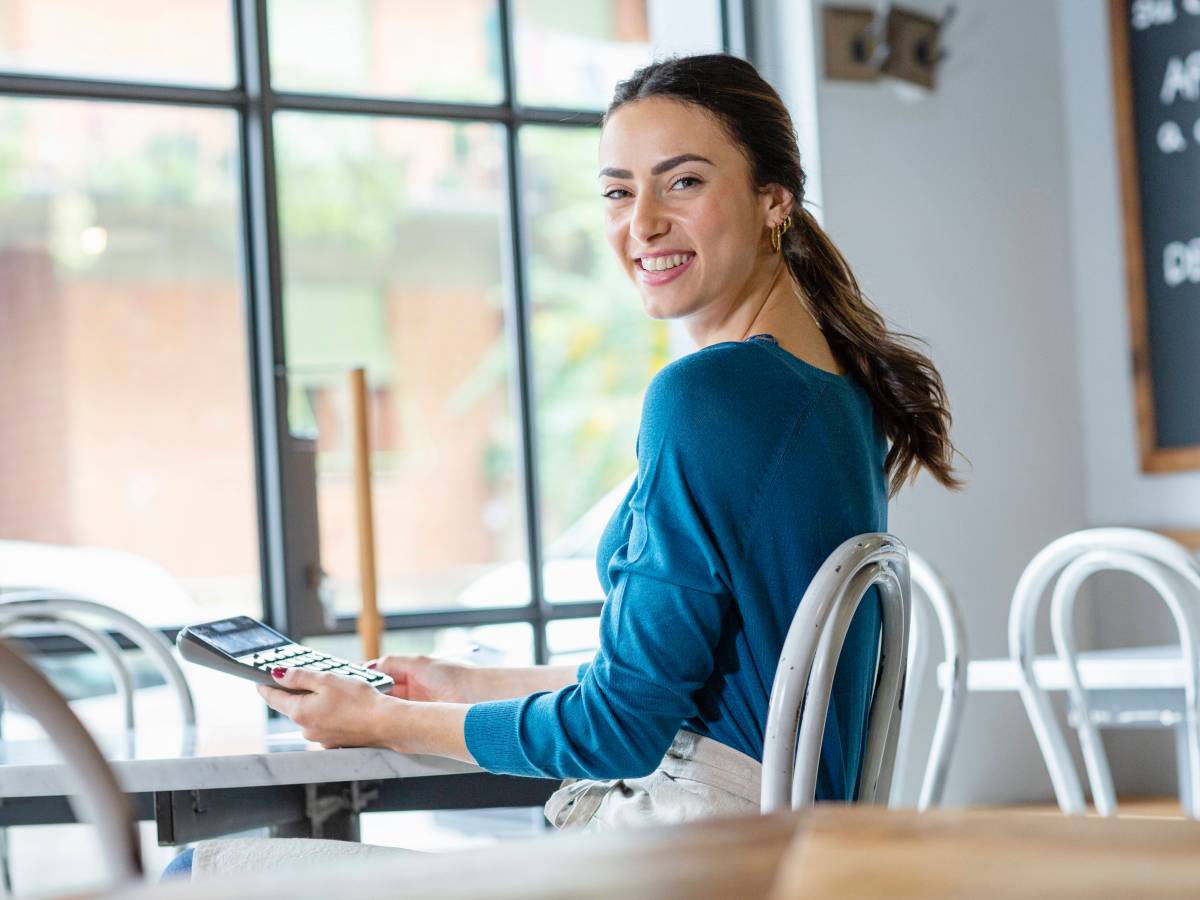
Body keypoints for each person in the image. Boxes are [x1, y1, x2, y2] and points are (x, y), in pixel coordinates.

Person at [165, 52, 959, 880]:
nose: (641, 223)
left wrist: (378, 722)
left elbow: (621, 727)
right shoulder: (831, 392)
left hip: (680, 858)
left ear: (773, 201)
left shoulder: (711, 395)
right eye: (619, 191)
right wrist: (449, 681)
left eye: (682, 182)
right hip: (757, 855)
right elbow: (671, 683)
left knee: (197, 874)